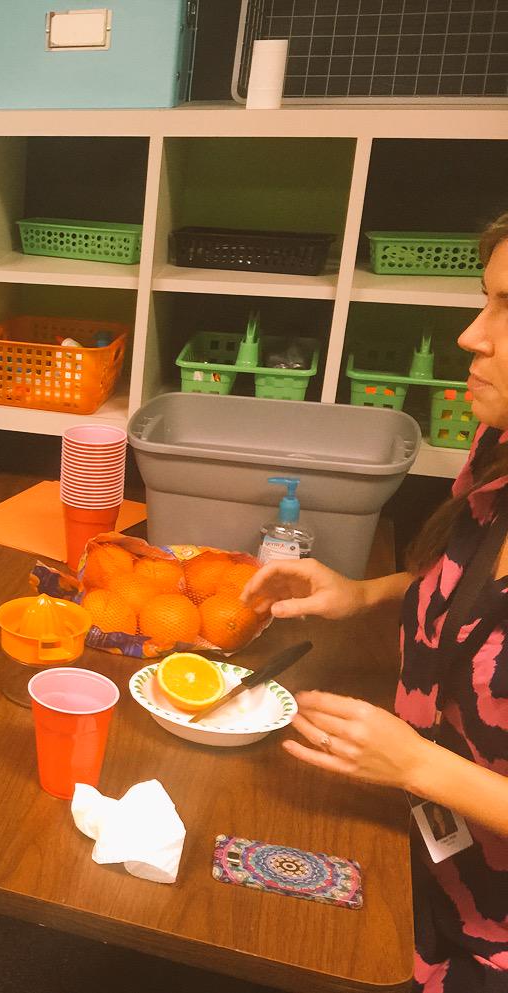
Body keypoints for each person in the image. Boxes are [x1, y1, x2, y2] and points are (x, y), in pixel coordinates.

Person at [242, 211, 508, 991]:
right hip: (416, 848)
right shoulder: (497, 445)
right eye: (487, 298)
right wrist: (360, 593)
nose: (471, 335)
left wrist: (419, 764)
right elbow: (468, 583)